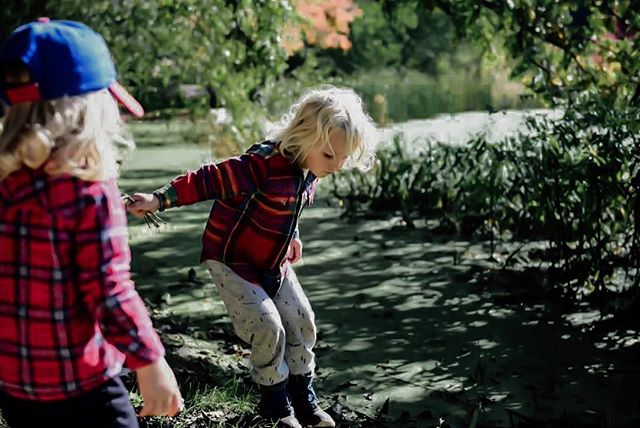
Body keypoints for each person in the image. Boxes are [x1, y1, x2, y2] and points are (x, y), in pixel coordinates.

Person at [127, 86, 376, 427]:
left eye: (343, 158)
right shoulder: (262, 164)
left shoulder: (310, 168)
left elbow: (290, 207)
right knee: (268, 326)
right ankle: (276, 406)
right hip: (232, 260)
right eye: (330, 156)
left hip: (273, 261)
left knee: (302, 319)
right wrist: (158, 200)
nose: (336, 166)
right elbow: (208, 179)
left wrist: (294, 235)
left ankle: (304, 400)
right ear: (303, 136)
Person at [0, 19, 183, 428]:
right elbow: (109, 288)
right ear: (91, 107)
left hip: (15, 384)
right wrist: (150, 362)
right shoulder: (88, 192)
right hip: (82, 385)